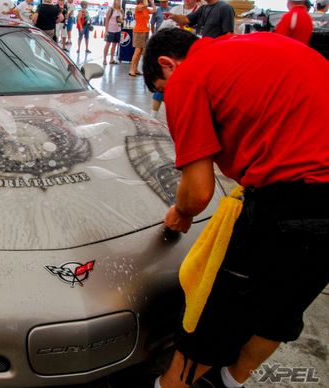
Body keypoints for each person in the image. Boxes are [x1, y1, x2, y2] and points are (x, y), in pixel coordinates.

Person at [142, 28, 329, 388]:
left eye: (162, 90)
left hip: (291, 198)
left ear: (167, 63)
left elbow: (197, 193)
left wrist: (180, 213)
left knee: (212, 316)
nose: (167, 99)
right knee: (285, 306)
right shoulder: (263, 43)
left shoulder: (189, 77)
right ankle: (230, 381)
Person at [151, 0, 198, 119]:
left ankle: (178, 115)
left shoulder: (199, 11)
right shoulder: (175, 10)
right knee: (163, 83)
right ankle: (153, 115)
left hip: (191, 55)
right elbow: (162, 30)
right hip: (171, 52)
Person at [165, 0, 235, 38]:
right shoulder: (203, 8)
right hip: (202, 46)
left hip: (214, 49)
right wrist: (173, 16)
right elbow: (186, 19)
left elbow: (228, 34)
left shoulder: (225, 8)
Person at [129, 0, 156, 76]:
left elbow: (154, 10)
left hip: (146, 31)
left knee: (140, 51)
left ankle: (135, 68)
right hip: (139, 31)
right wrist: (147, 2)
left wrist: (152, 2)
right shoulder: (138, 7)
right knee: (137, 50)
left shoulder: (146, 9)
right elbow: (146, 4)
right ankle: (131, 69)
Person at [103, 0, 124, 64]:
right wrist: (106, 31)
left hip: (118, 30)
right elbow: (106, 20)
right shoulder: (111, 10)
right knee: (107, 44)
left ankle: (111, 59)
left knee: (114, 45)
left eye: (120, 1)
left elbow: (122, 19)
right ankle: (104, 59)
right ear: (115, 1)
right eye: (117, 0)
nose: (119, 2)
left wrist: (121, 21)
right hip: (110, 30)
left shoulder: (121, 10)